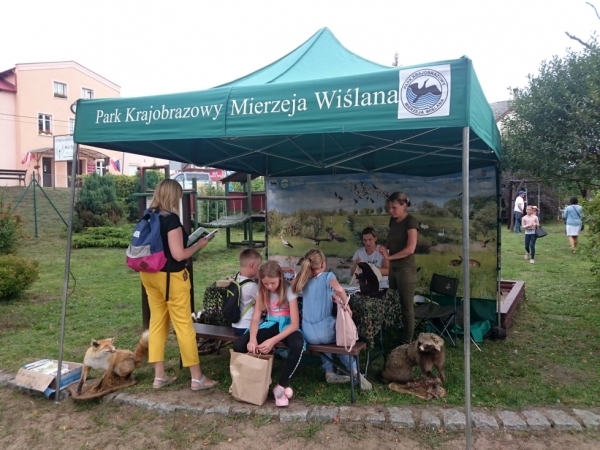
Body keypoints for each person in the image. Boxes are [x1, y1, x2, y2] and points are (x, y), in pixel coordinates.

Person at [140, 179, 218, 391]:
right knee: (184, 325)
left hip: (149, 275)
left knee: (157, 323)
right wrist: (199, 245)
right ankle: (197, 378)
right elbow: (179, 254)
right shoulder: (171, 219)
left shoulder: (148, 215)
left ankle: (159, 376)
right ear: (174, 196)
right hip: (170, 277)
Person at [292, 249, 372, 390]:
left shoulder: (303, 279)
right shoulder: (328, 276)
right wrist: (347, 305)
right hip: (325, 330)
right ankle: (355, 371)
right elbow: (340, 290)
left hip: (308, 333)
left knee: (326, 337)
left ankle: (329, 371)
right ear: (323, 264)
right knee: (341, 337)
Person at [232, 261, 304, 407]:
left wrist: (272, 341)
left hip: (287, 326)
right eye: (266, 283)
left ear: (280, 278)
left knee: (298, 344)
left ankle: (281, 385)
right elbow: (255, 319)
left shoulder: (289, 290)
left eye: (273, 283)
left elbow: (295, 324)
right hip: (270, 323)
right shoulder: (262, 291)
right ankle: (257, 378)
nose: (270, 286)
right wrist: (252, 339)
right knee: (239, 344)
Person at [378, 192, 418, 344]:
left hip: (405, 269)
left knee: (406, 307)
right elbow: (391, 238)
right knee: (394, 301)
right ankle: (397, 333)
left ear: (404, 205)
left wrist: (389, 257)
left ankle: (407, 342)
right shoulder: (393, 220)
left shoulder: (411, 222)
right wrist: (384, 246)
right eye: (389, 208)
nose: (391, 211)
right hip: (394, 269)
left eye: (394, 208)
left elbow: (410, 249)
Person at [231, 249, 262, 336]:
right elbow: (264, 304)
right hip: (247, 327)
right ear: (252, 265)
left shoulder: (237, 277)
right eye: (258, 266)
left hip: (236, 325)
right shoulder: (252, 286)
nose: (259, 269)